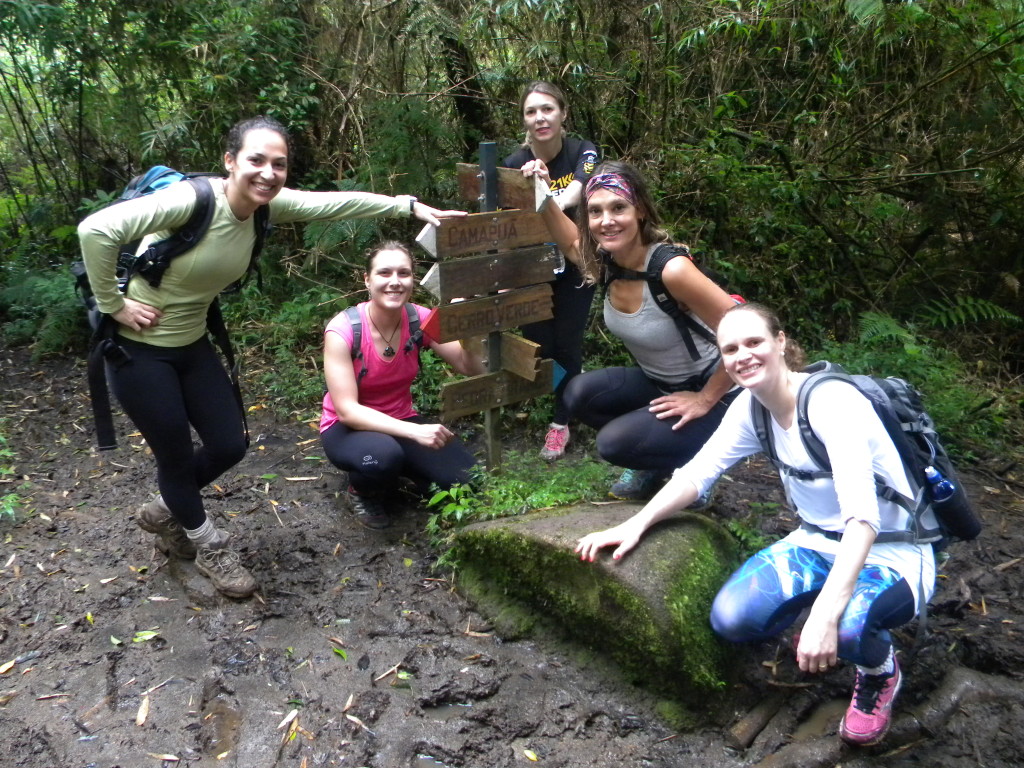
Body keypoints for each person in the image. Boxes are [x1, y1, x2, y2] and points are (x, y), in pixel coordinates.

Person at [78, 115, 464, 598]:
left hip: (191, 344)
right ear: (230, 161)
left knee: (229, 444)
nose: (268, 173)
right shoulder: (191, 201)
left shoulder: (266, 207)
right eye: (256, 160)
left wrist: (407, 205)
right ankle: (207, 544)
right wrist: (114, 304)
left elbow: (335, 204)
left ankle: (168, 508)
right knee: (175, 457)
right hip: (137, 352)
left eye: (278, 164)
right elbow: (96, 230)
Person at [576, 303, 935, 747]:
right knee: (732, 619)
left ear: (780, 342)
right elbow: (698, 473)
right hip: (816, 542)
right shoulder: (752, 406)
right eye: (730, 349)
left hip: (894, 549)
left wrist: (825, 613)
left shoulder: (833, 404)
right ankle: (823, 617)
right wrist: (636, 524)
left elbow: (863, 519)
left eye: (754, 342)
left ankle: (879, 671)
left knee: (847, 629)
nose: (743, 356)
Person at [532, 159, 737, 500]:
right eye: (595, 211)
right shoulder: (609, 263)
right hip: (660, 384)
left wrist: (704, 398)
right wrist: (540, 192)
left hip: (718, 392)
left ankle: (700, 468)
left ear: (639, 209)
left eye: (618, 207)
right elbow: (570, 244)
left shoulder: (671, 270)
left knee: (614, 444)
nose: (606, 220)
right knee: (578, 394)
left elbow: (746, 335)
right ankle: (659, 456)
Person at [320, 241, 485, 530]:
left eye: (403, 273)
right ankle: (362, 490)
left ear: (412, 279)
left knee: (467, 480)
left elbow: (468, 366)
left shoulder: (420, 318)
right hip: (348, 427)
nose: (395, 281)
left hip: (401, 418)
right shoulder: (343, 330)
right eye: (384, 273)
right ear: (367, 280)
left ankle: (406, 470)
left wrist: (468, 327)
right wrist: (416, 432)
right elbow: (347, 411)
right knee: (382, 458)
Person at [504, 80, 599, 461]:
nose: (540, 118)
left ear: (562, 114)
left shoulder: (583, 151)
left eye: (547, 109)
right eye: (531, 111)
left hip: (576, 262)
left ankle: (562, 421)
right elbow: (508, 223)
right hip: (533, 267)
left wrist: (545, 193)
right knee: (541, 346)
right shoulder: (513, 163)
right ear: (524, 120)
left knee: (567, 342)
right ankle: (566, 391)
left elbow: (577, 192)